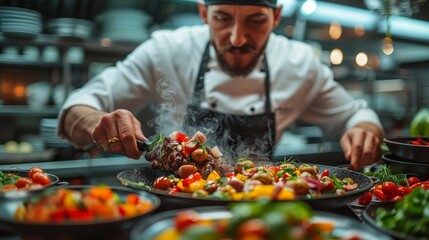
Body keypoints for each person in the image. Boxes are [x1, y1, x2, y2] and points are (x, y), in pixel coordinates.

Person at [57, 0, 384, 170]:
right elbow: (78, 107)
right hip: (176, 211)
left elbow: (355, 116)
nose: (238, 38)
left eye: (255, 21)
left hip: (260, 208)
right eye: (223, 18)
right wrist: (100, 124)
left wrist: (364, 129)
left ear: (277, 16)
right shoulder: (167, 49)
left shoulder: (300, 64)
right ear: (203, 13)